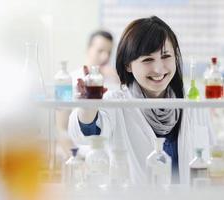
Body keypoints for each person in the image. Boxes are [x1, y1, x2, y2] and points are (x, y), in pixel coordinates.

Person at [68, 16, 216, 184]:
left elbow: (210, 159)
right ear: (128, 65)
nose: (159, 69)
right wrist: (88, 106)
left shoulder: (193, 103)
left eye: (166, 56)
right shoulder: (116, 103)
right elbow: (87, 133)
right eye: (147, 59)